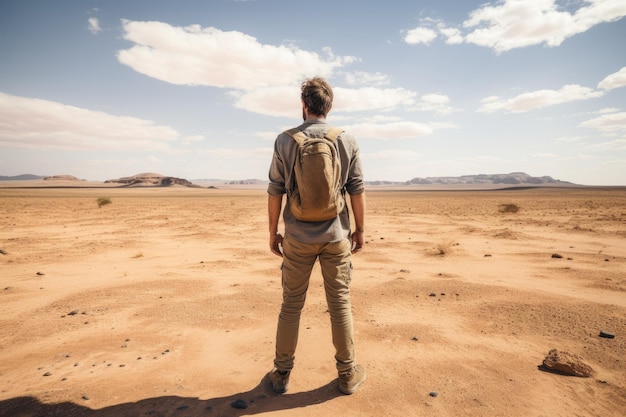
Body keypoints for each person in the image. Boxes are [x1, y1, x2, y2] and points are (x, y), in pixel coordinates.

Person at [266, 76, 366, 395]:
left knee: (291, 304)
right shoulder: (346, 139)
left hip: (296, 236)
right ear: (329, 106)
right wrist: (360, 230)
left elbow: (275, 191)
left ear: (304, 105)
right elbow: (357, 190)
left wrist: (273, 232)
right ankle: (347, 374)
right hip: (336, 236)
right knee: (339, 303)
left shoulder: (284, 140)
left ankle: (282, 375)